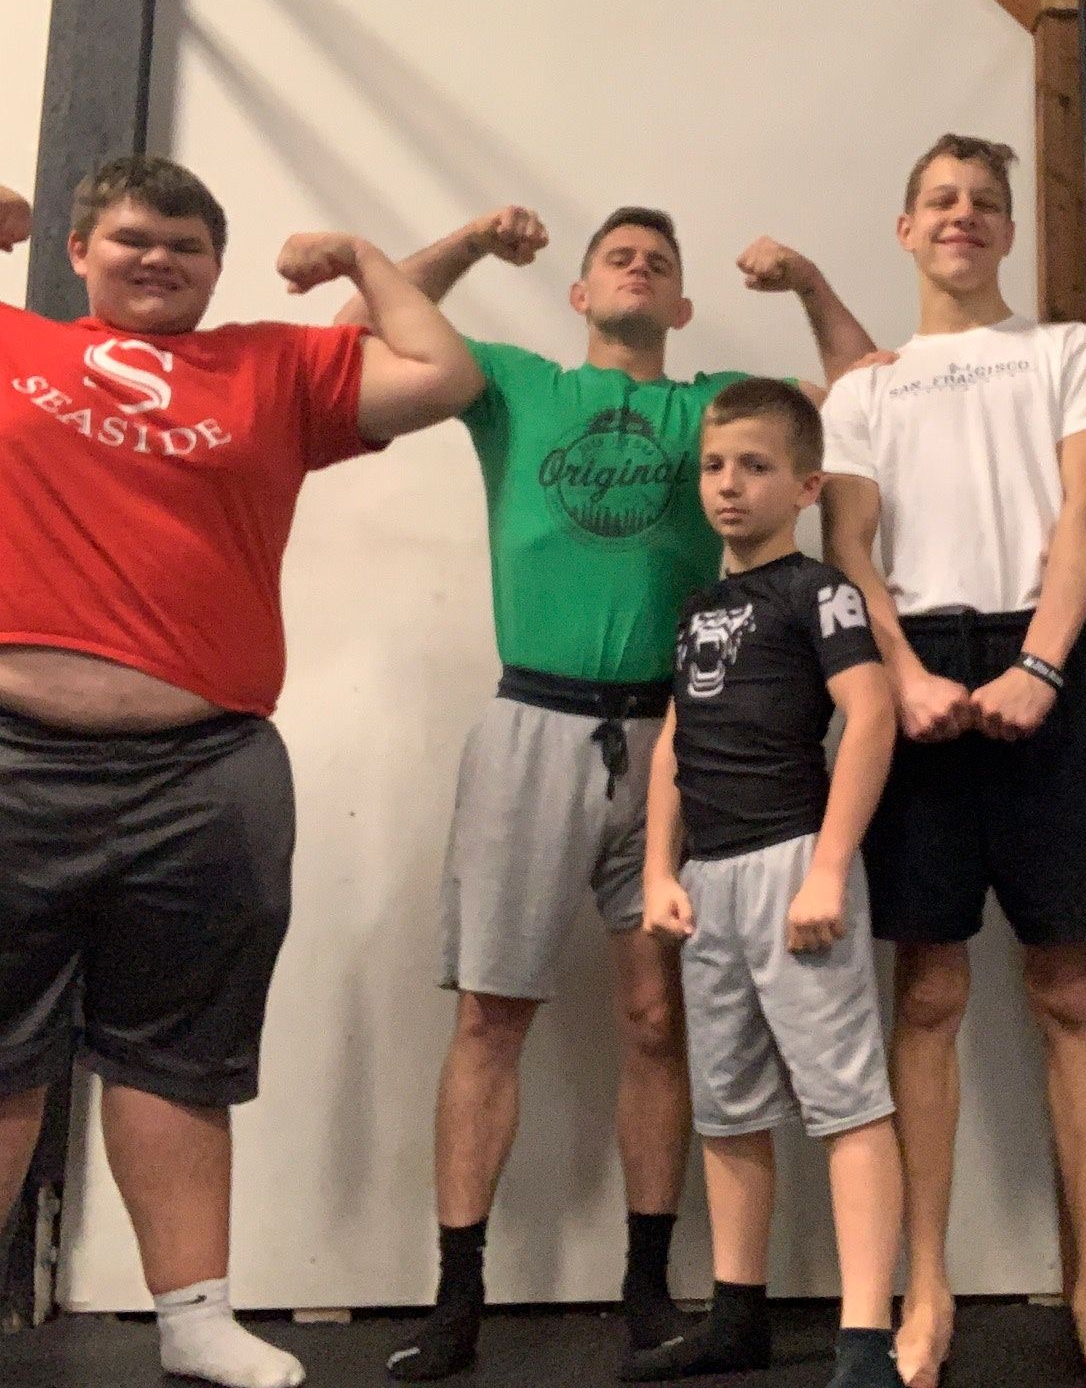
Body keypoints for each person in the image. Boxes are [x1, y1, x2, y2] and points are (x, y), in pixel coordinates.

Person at [343, 208, 876, 1381]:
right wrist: (468, 244)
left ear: (682, 307)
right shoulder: (515, 384)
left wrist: (807, 279)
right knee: (490, 1015)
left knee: (654, 1018)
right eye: (617, 257)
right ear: (580, 295)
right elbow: (355, 338)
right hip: (531, 722)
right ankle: (457, 1298)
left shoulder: (713, 409)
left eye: (659, 262)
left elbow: (871, 396)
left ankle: (647, 1288)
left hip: (679, 736)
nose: (639, 267)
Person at [0, 156, 482, 1388]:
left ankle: (194, 1318)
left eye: (187, 245)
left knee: (178, 1056)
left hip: (204, 774)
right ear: (77, 251)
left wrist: (364, 257)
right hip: (14, 761)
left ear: (218, 267)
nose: (158, 259)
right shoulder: (15, 348)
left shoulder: (271, 369)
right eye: (132, 238)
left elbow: (444, 375)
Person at [819, 134, 1086, 1388]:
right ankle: (925, 1293)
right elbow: (849, 545)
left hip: (1050, 660)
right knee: (926, 992)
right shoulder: (864, 389)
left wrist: (1042, 664)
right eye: (940, 201)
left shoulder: (1066, 352)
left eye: (984, 203)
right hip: (914, 670)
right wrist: (904, 673)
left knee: (1072, 990)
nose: (962, 216)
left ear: (1010, 231)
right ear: (906, 229)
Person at [630, 377, 902, 1388]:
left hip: (793, 865)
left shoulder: (819, 590)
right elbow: (674, 740)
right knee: (728, 1106)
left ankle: (866, 1340)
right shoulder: (700, 605)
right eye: (713, 466)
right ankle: (736, 1315)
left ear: (805, 486)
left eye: (754, 466)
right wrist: (659, 869)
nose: (728, 485)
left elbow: (870, 715)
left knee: (845, 1100)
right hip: (709, 882)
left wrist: (827, 868)